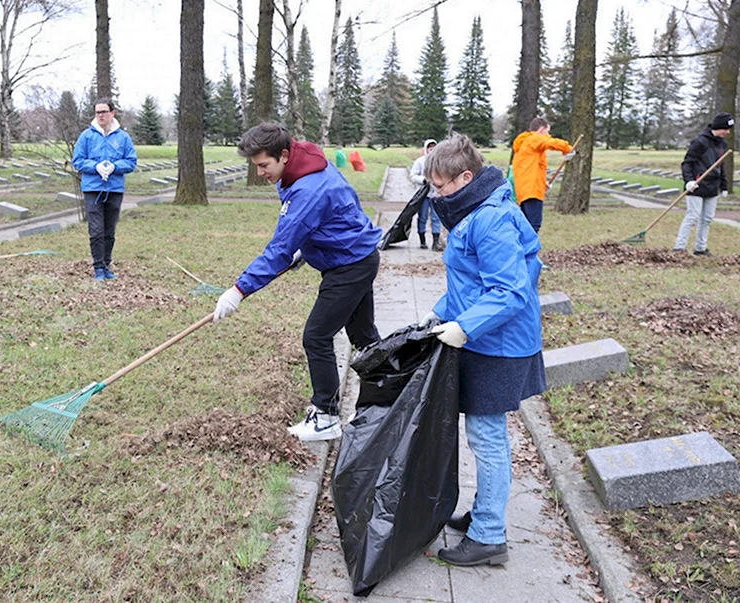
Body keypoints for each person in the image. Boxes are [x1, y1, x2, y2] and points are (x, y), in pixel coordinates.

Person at [416, 133, 545, 567]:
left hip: (499, 345)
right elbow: (470, 283)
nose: (436, 194)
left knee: (487, 437)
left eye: (441, 185)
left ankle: (489, 535)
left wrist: (464, 327)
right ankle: (484, 510)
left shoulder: (490, 219)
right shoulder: (475, 210)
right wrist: (438, 316)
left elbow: (509, 292)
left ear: (465, 177)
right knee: (484, 435)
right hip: (486, 337)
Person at [213, 122, 382, 442]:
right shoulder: (304, 165)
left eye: (264, 165)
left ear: (285, 155)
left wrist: (238, 290)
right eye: (256, 165)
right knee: (363, 336)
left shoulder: (308, 188)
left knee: (316, 337)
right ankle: (383, 398)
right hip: (356, 255)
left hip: (348, 266)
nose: (261, 172)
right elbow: (338, 212)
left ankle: (326, 416)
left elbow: (278, 250)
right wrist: (307, 247)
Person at [72, 97, 138, 280]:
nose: (101, 115)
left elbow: (131, 162)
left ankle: (107, 264)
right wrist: (95, 167)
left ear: (112, 113)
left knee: (109, 230)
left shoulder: (123, 137)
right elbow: (77, 160)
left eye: (104, 112)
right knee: (96, 230)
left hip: (115, 189)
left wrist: (115, 167)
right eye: (97, 112)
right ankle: (98, 267)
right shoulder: (86, 136)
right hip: (93, 189)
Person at [673, 112, 733, 256]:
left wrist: (723, 186)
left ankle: (700, 248)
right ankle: (679, 248)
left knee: (707, 219)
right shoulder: (700, 142)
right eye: (726, 129)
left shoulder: (722, 144)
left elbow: (720, 166)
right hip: (697, 186)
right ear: (719, 127)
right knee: (692, 217)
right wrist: (689, 181)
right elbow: (687, 163)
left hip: (712, 187)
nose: (727, 132)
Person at [510, 117, 573, 233]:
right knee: (533, 226)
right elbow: (551, 142)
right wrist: (568, 149)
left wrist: (543, 184)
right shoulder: (534, 139)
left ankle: (522, 250)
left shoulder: (526, 145)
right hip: (532, 192)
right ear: (541, 130)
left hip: (525, 191)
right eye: (547, 132)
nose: (548, 135)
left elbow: (530, 170)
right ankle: (527, 251)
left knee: (526, 226)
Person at [408, 138, 443, 251]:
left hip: (436, 194)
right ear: (426, 148)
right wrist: (423, 180)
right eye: (430, 147)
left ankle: (436, 242)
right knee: (422, 217)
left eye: (434, 147)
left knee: (436, 217)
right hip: (423, 194)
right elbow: (412, 176)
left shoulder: (441, 162)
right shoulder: (420, 161)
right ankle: (422, 240)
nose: (432, 150)